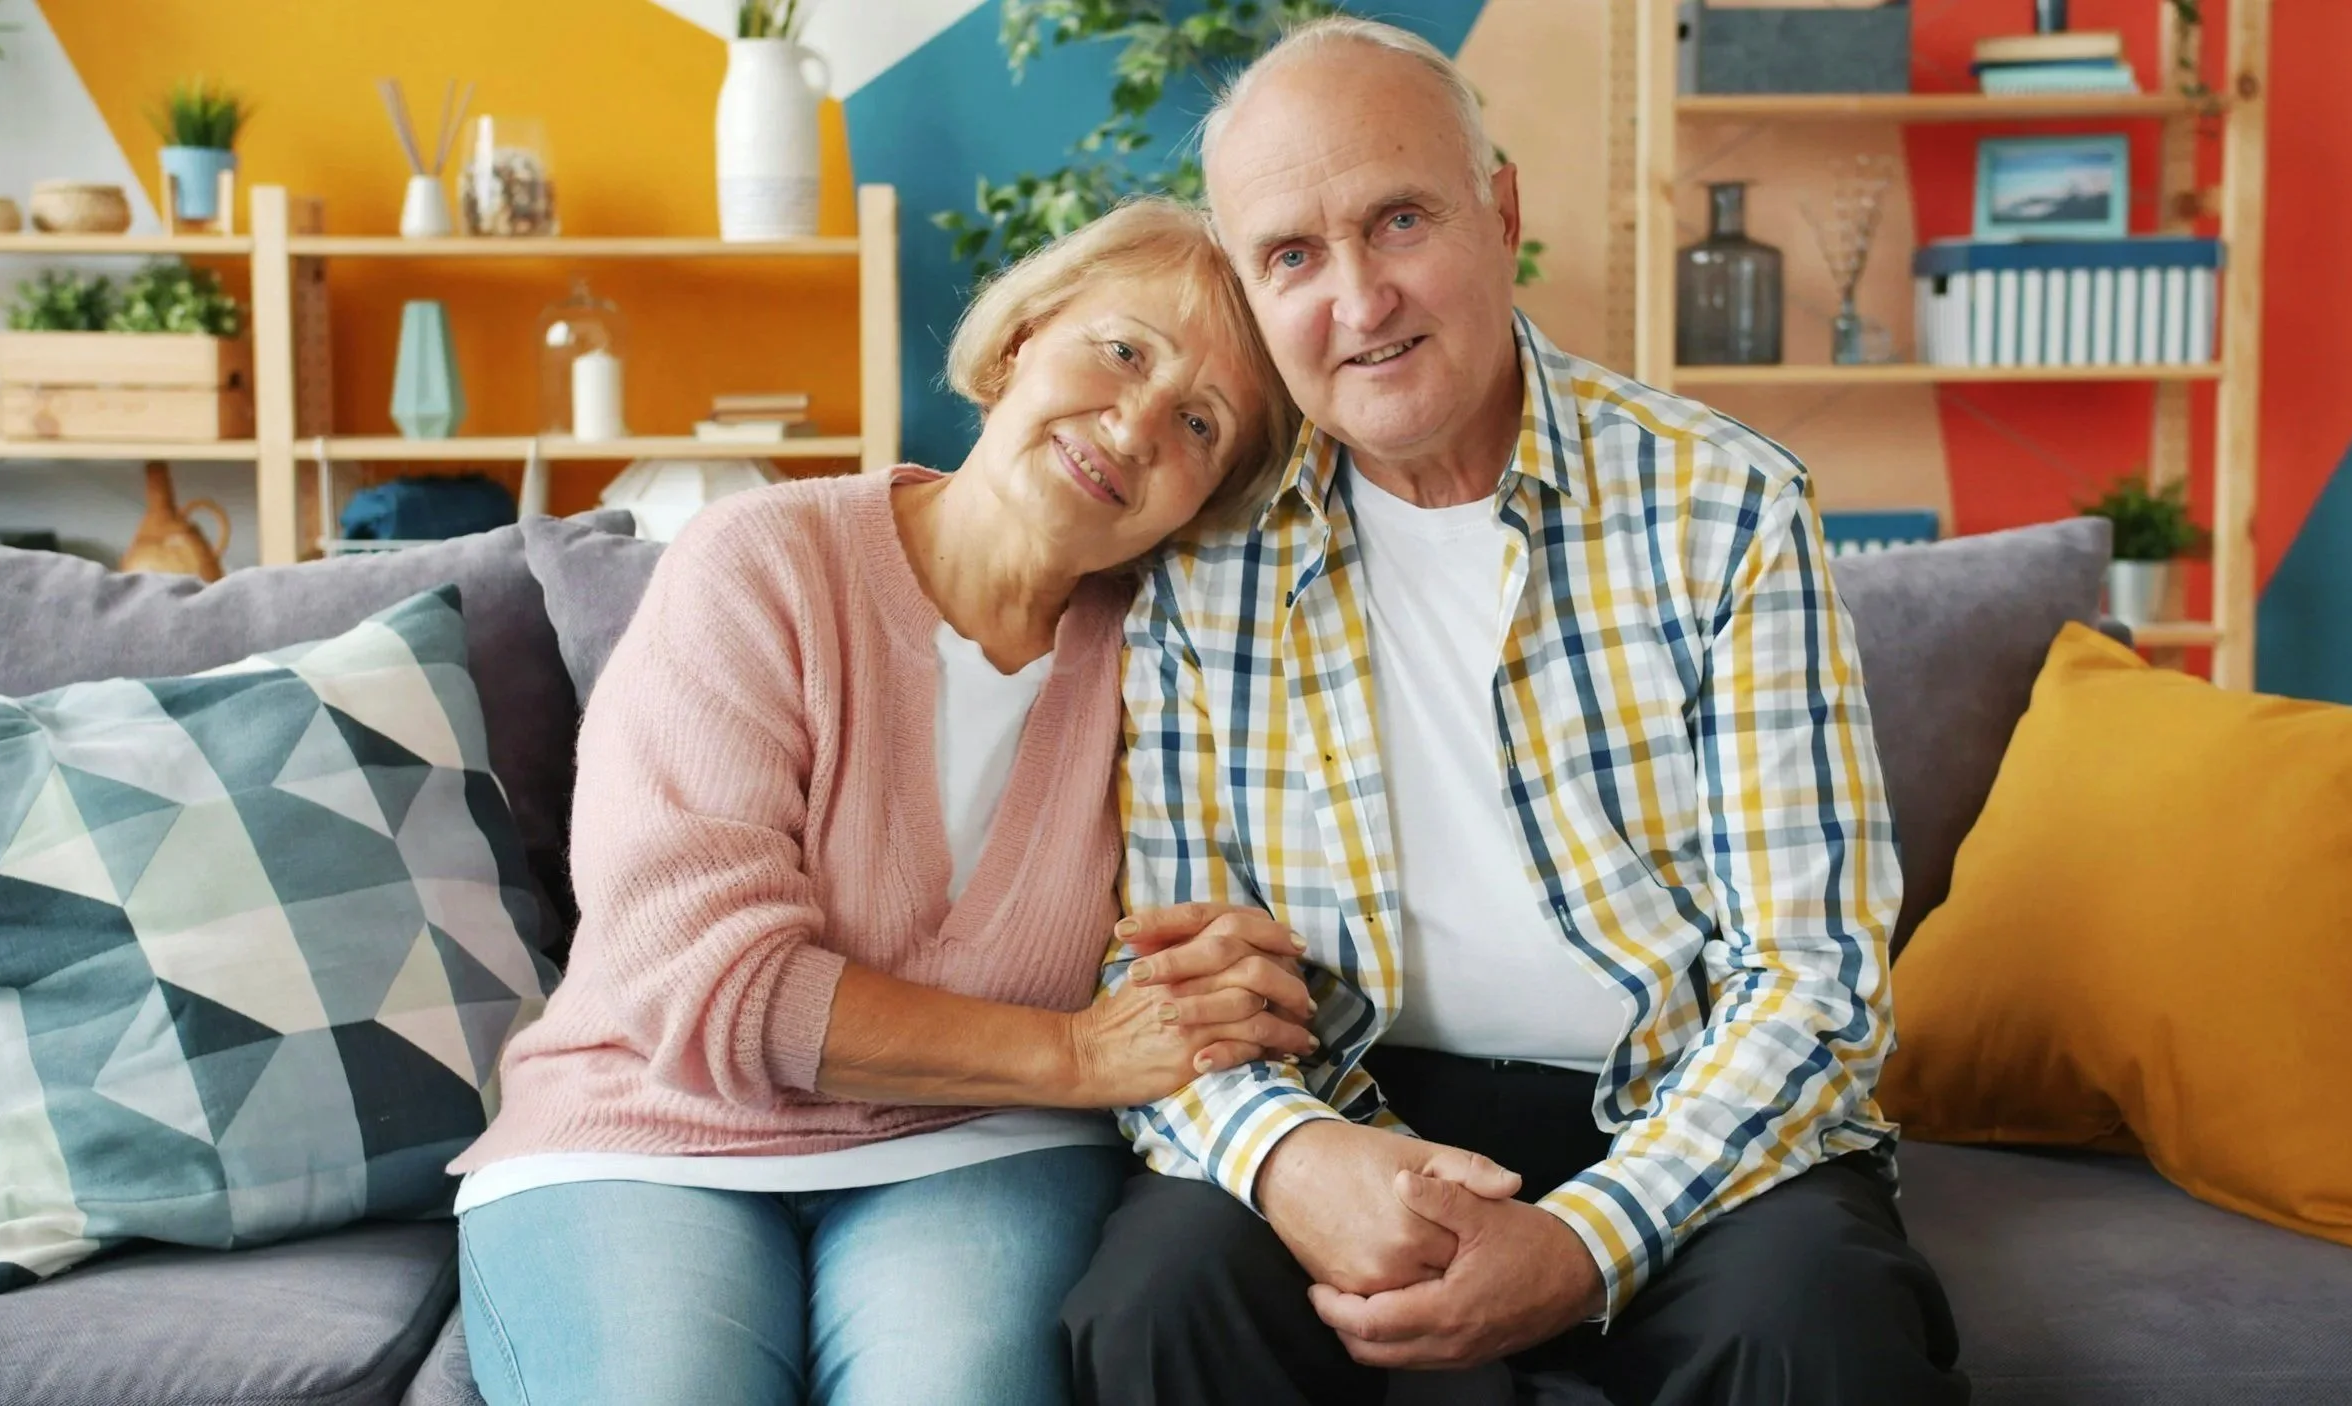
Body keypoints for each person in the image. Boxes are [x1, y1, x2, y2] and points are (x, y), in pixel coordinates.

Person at [1062, 19, 1968, 1406]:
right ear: (1250, 291)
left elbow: (1817, 972)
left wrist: (1583, 1236)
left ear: (1502, 213)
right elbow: (1168, 984)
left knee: (1812, 1332)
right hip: (1352, 1099)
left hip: (1685, 1101)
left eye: (1400, 219)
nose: (1359, 300)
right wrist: (1298, 1160)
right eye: (1293, 256)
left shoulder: (1724, 508)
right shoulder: (1199, 560)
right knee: (1155, 1304)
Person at [448, 197, 1308, 1406]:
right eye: (1121, 349)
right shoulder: (758, 559)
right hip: (646, 1125)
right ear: (1021, 342)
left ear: (1205, 497)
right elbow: (706, 982)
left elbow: (1212, 940)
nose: (1132, 422)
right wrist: (1074, 1050)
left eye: (1200, 421)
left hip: (980, 1146)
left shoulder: (1178, 654)